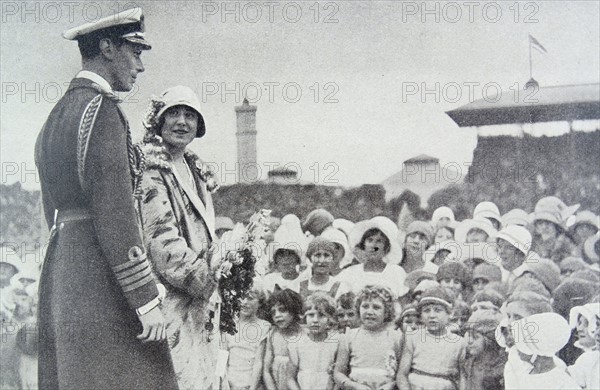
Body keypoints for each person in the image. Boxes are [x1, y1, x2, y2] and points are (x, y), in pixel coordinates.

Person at [34, 8, 178, 389]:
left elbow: (52, 212)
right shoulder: (102, 111)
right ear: (107, 48)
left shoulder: (56, 115)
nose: (141, 66)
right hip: (101, 278)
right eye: (136, 52)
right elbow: (115, 211)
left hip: (64, 271)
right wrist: (145, 300)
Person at [140, 85, 225, 389]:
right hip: (170, 297)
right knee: (179, 380)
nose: (181, 122)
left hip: (202, 298)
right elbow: (161, 239)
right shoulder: (150, 170)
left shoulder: (197, 170)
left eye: (190, 115)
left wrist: (225, 268)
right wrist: (210, 278)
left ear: (198, 125)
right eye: (173, 113)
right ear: (159, 122)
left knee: (207, 376)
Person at [334, 285, 404, 390]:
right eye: (365, 306)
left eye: (376, 307)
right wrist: (353, 386)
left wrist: (391, 385)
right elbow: (338, 373)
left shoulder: (396, 337)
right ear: (358, 309)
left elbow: (402, 373)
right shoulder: (349, 337)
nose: (370, 312)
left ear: (386, 312)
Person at [398, 286, 467, 390]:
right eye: (426, 311)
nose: (431, 315)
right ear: (420, 315)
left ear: (450, 313)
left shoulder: (459, 343)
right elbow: (402, 374)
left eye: (437, 310)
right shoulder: (413, 337)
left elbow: (462, 377)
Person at [224, 280, 271, 390]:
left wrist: (252, 387)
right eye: (241, 296)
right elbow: (223, 356)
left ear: (260, 302)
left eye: (250, 298)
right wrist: (224, 383)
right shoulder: (229, 325)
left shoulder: (263, 326)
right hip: (229, 384)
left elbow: (259, 362)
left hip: (250, 384)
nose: (244, 302)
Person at [287, 292, 339, 390]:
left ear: (329, 319)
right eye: (311, 315)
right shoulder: (296, 343)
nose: (315, 320)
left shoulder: (336, 342)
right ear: (304, 318)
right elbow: (290, 378)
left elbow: (338, 376)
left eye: (321, 315)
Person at [263, 287, 304, 390]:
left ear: (294, 310)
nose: (277, 315)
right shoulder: (272, 334)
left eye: (282, 310)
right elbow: (266, 370)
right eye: (273, 312)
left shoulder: (304, 334)